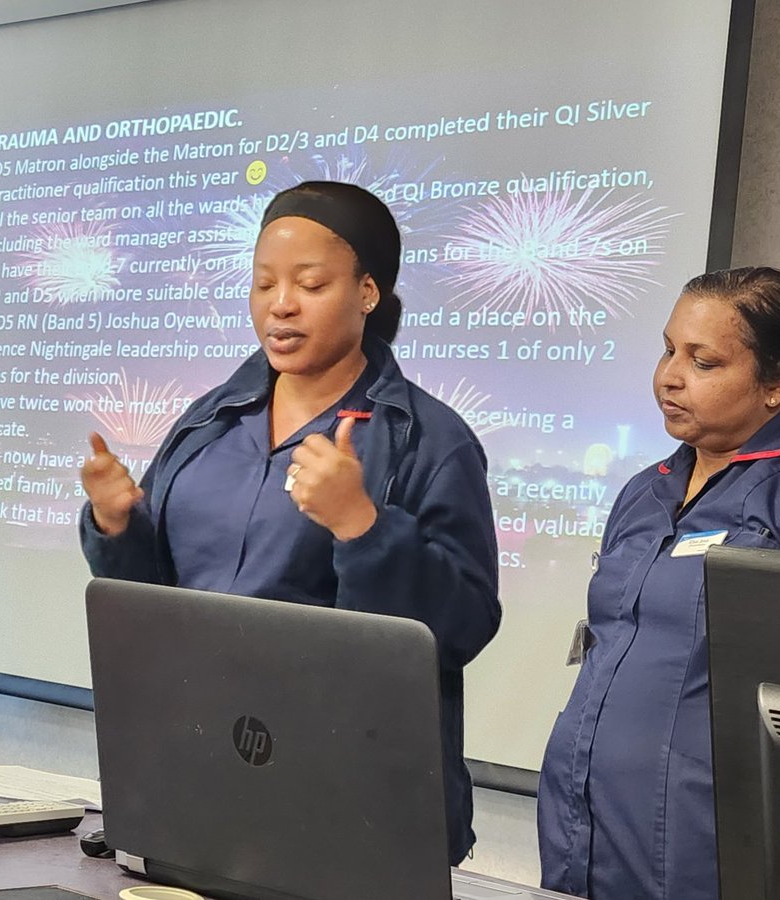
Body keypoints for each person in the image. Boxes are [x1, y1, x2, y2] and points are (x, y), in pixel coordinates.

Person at [79, 180, 501, 863]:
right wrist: (115, 524)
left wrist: (363, 526)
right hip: (198, 782)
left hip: (349, 804)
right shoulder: (209, 422)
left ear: (368, 292)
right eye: (264, 284)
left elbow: (466, 621)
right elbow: (154, 604)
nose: (280, 305)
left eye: (309, 284)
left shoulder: (428, 440)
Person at [537, 266, 780, 900]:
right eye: (668, 349)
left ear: (777, 383)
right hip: (586, 832)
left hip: (718, 851)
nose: (669, 375)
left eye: (704, 361)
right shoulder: (645, 490)